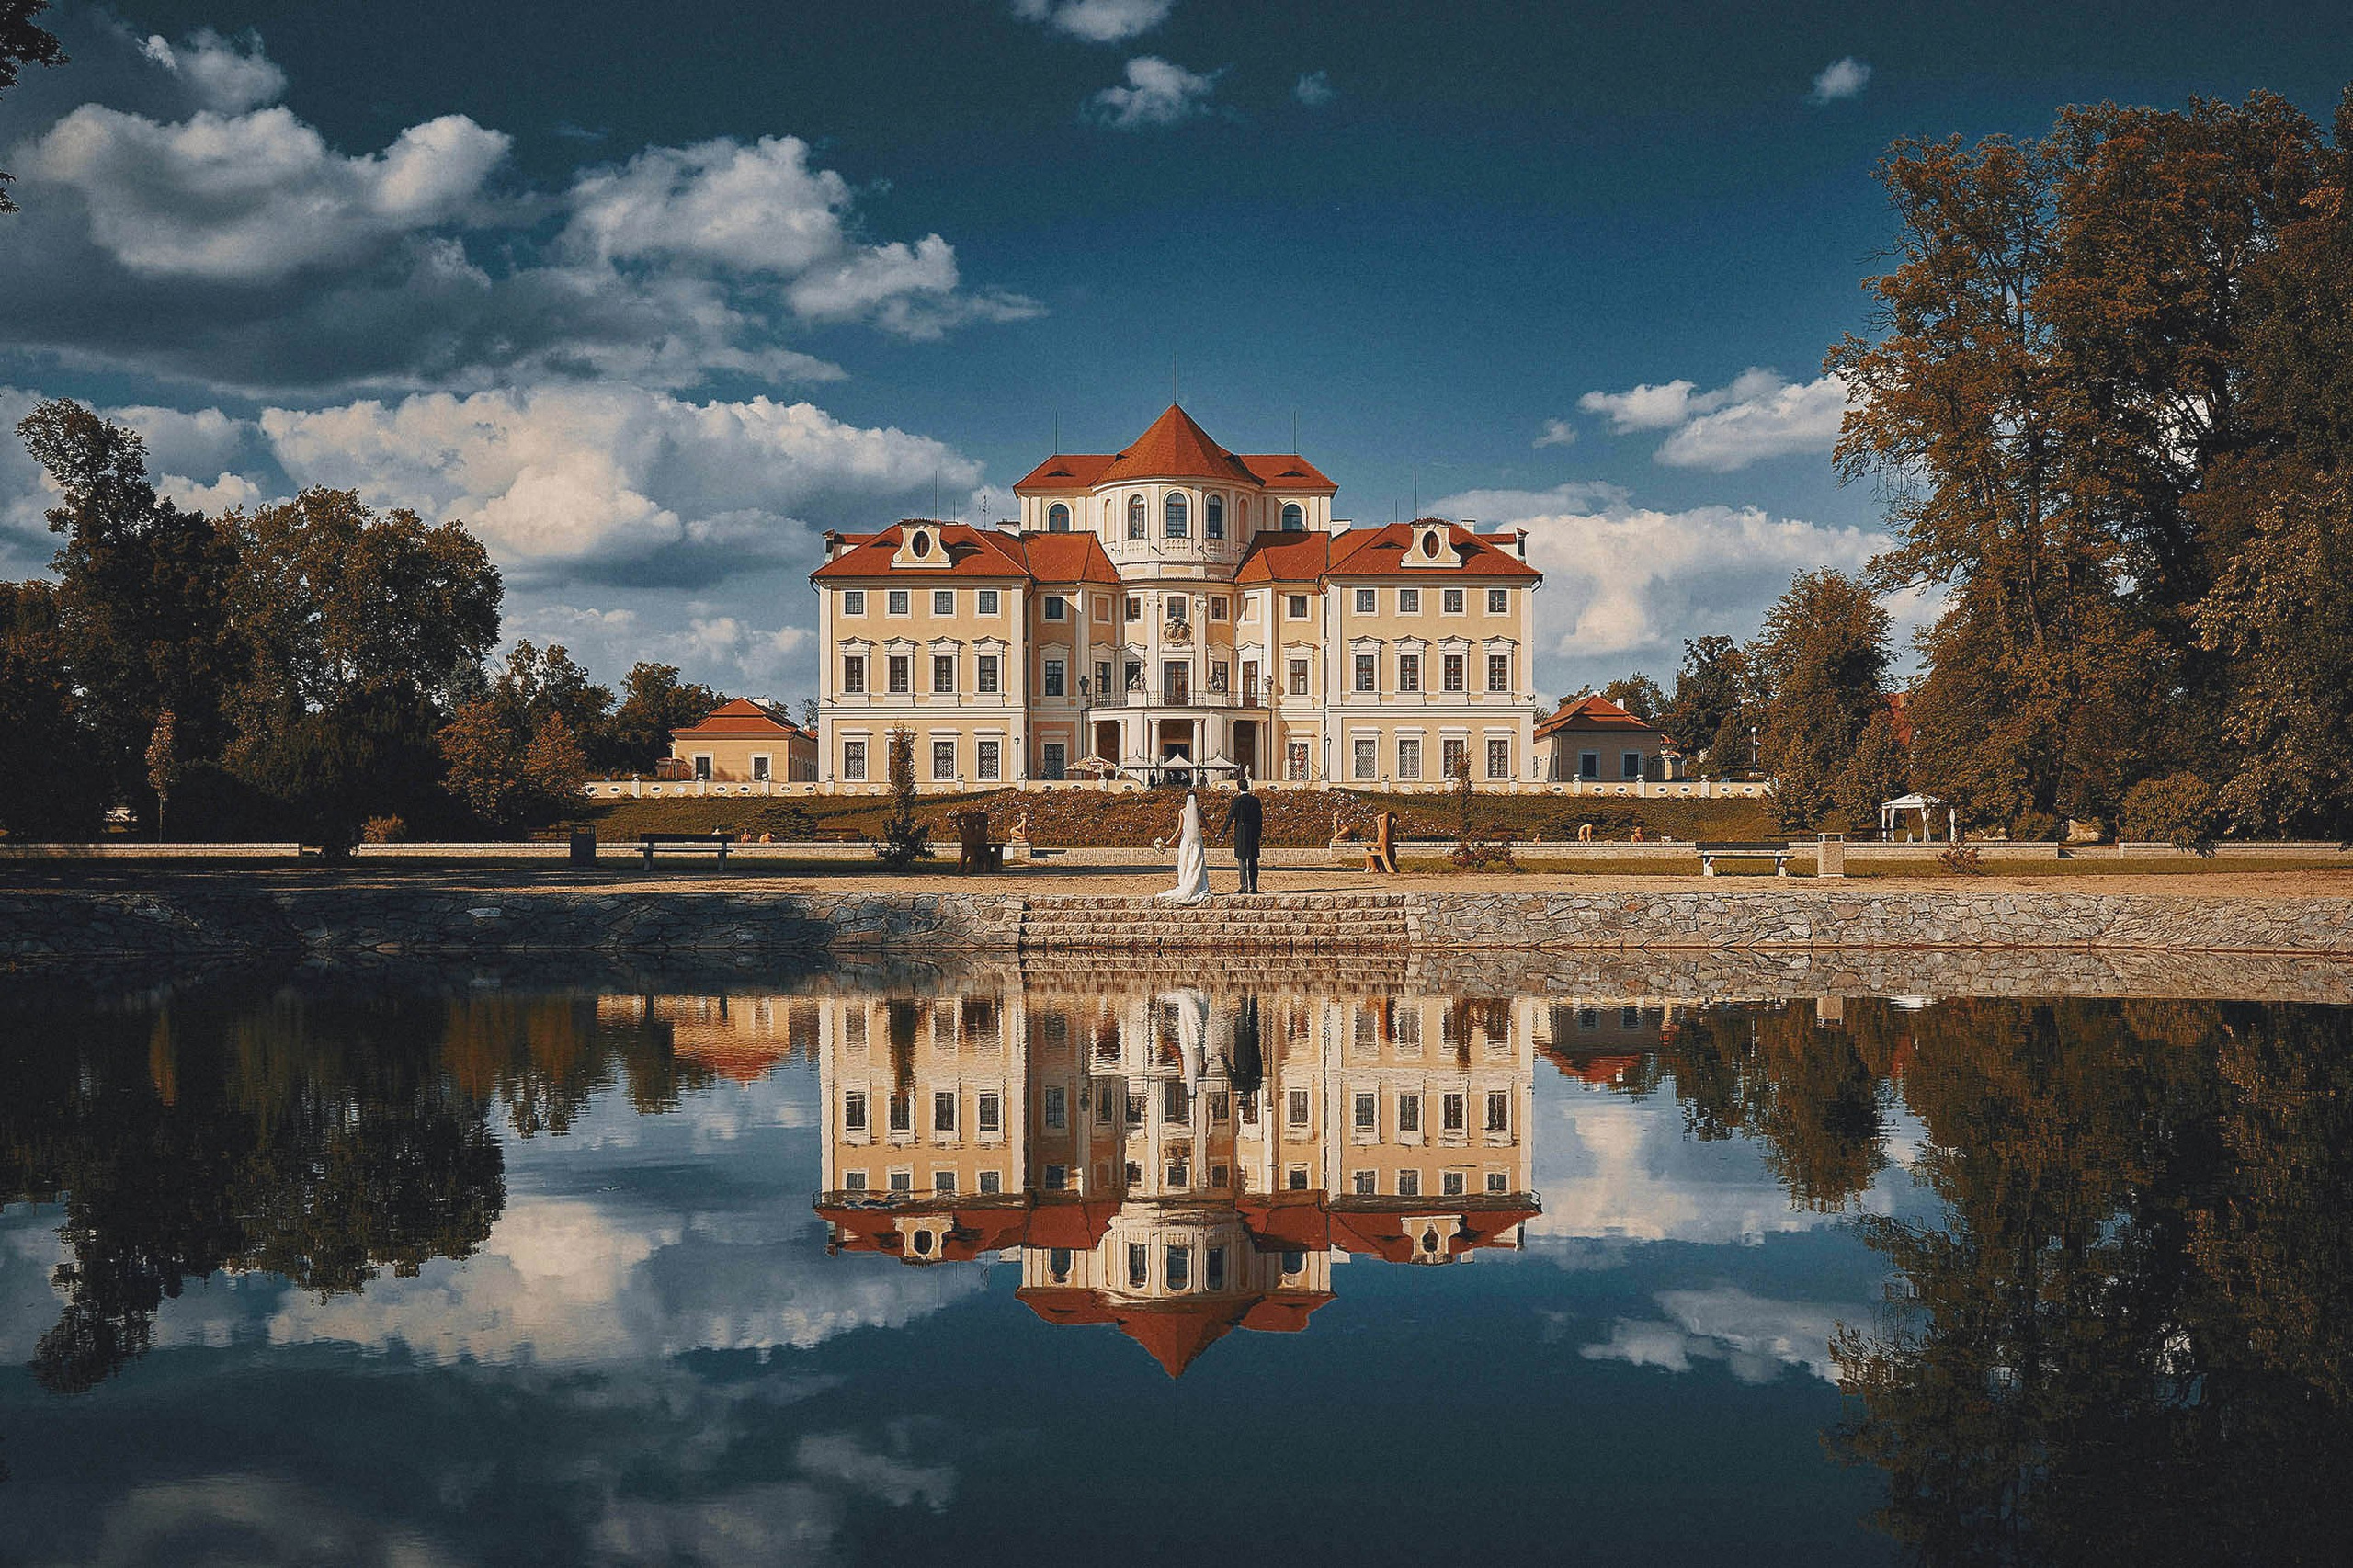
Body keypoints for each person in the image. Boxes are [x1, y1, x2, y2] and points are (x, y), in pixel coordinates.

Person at [1156, 790, 1211, 904]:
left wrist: (1169, 842)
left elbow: (1179, 829)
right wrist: (1216, 835)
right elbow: (1207, 826)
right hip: (1196, 842)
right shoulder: (1200, 812)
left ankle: (1186, 884)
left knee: (1185, 864)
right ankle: (1197, 885)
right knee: (1196, 864)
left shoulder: (1183, 812)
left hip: (1186, 842)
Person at [1222, 773, 1264, 893]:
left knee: (1242, 860)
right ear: (1248, 787)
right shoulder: (1255, 800)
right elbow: (1260, 818)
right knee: (1253, 860)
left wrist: (1223, 832)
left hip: (1241, 831)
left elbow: (1230, 817)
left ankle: (1244, 886)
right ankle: (1254, 886)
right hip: (1253, 832)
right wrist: (1259, 833)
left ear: (1238, 788)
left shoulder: (1237, 801)